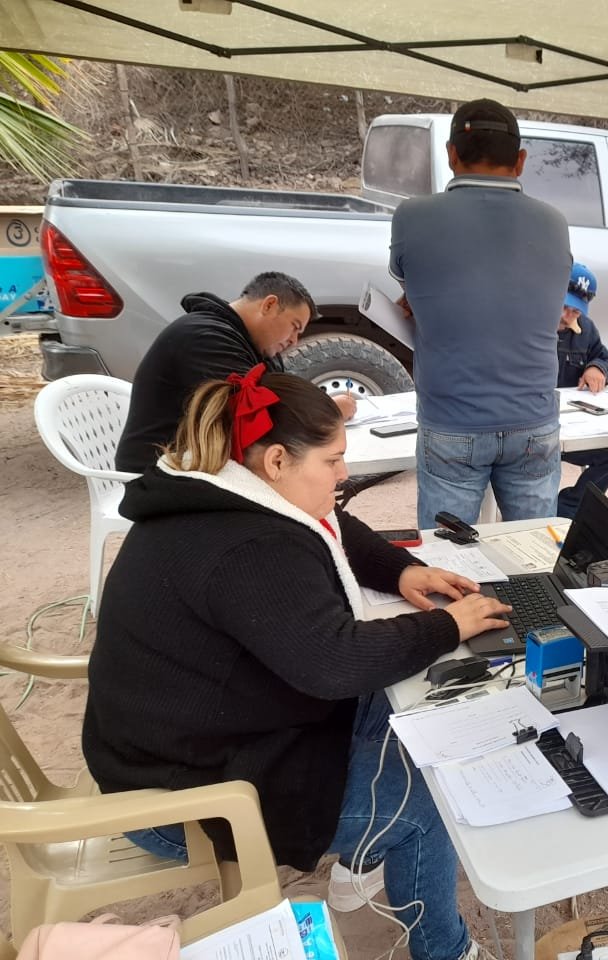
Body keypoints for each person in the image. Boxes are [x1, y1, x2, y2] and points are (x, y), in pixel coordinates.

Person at [83, 367, 511, 960]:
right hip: (182, 796)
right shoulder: (249, 545)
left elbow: (337, 526)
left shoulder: (221, 491)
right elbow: (334, 664)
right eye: (332, 461)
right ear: (278, 461)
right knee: (429, 801)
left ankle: (362, 860)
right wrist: (448, 626)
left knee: (405, 704)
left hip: (191, 738)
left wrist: (402, 570)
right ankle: (445, 949)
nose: (344, 475)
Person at [390, 98, 572, 528]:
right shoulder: (554, 222)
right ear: (520, 161)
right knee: (534, 555)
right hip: (534, 422)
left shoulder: (412, 216)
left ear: (451, 154)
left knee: (448, 560)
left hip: (452, 422)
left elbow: (409, 284)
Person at [116, 271, 358, 473]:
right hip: (158, 470)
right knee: (296, 477)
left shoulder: (246, 343)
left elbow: (283, 396)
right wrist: (329, 412)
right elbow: (260, 414)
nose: (294, 340)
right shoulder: (205, 337)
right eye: (295, 327)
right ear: (269, 305)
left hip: (193, 462)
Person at [556, 262, 608, 517]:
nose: (568, 316)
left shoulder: (586, 329)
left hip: (574, 427)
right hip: (536, 428)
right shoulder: (532, 323)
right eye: (564, 307)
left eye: (575, 311)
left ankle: (569, 507)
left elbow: (604, 358)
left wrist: (597, 368)